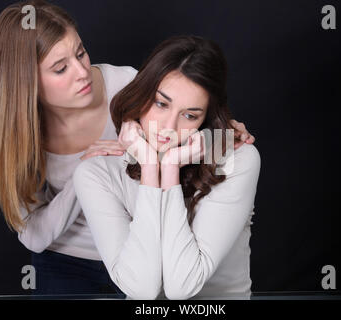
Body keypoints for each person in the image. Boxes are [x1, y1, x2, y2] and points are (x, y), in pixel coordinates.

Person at [0, 0, 255, 295]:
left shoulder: (127, 86)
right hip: (67, 260)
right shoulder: (23, 134)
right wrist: (82, 175)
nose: (82, 72)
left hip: (142, 249)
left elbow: (185, 110)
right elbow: (34, 235)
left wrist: (221, 133)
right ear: (27, 84)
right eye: (61, 69)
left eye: (81, 52)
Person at [73, 35, 261, 300]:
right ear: (142, 94)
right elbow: (142, 290)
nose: (168, 127)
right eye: (161, 103)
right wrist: (151, 167)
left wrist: (170, 167)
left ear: (205, 118)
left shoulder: (237, 160)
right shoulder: (97, 173)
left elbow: (181, 287)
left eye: (190, 115)